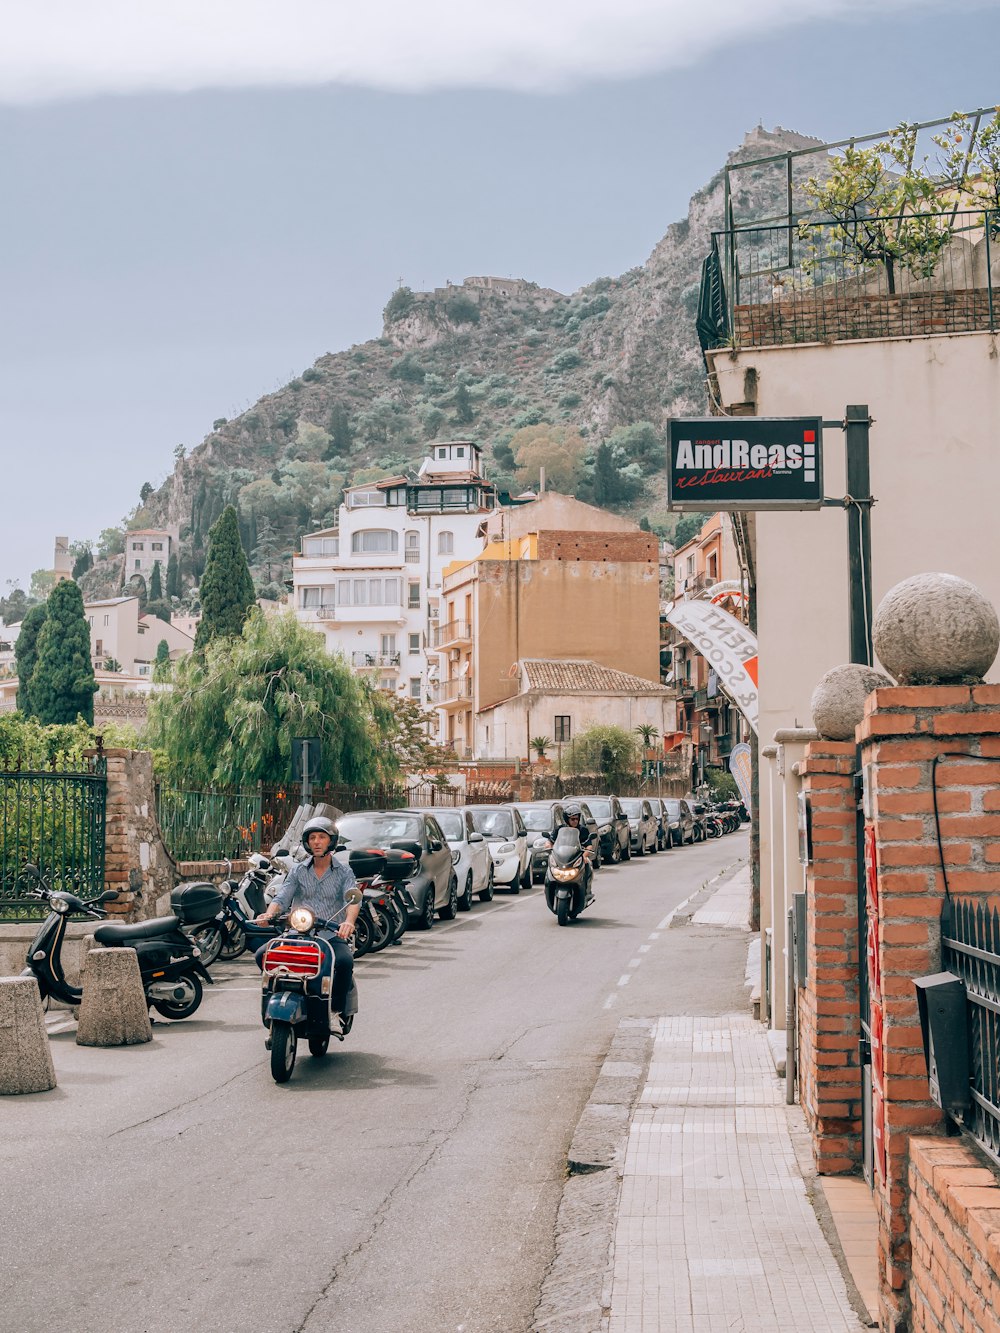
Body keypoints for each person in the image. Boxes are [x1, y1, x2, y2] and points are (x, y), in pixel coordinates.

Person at [255, 816, 360, 1026]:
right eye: (313, 837)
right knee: (262, 955)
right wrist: (269, 914)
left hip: (330, 935)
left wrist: (348, 922)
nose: (317, 842)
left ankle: (336, 1009)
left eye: (322, 837)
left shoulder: (344, 872)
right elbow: (282, 897)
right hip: (298, 935)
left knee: (345, 962)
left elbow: (353, 899)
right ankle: (282, 993)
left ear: (331, 841)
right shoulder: (298, 870)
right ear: (307, 842)